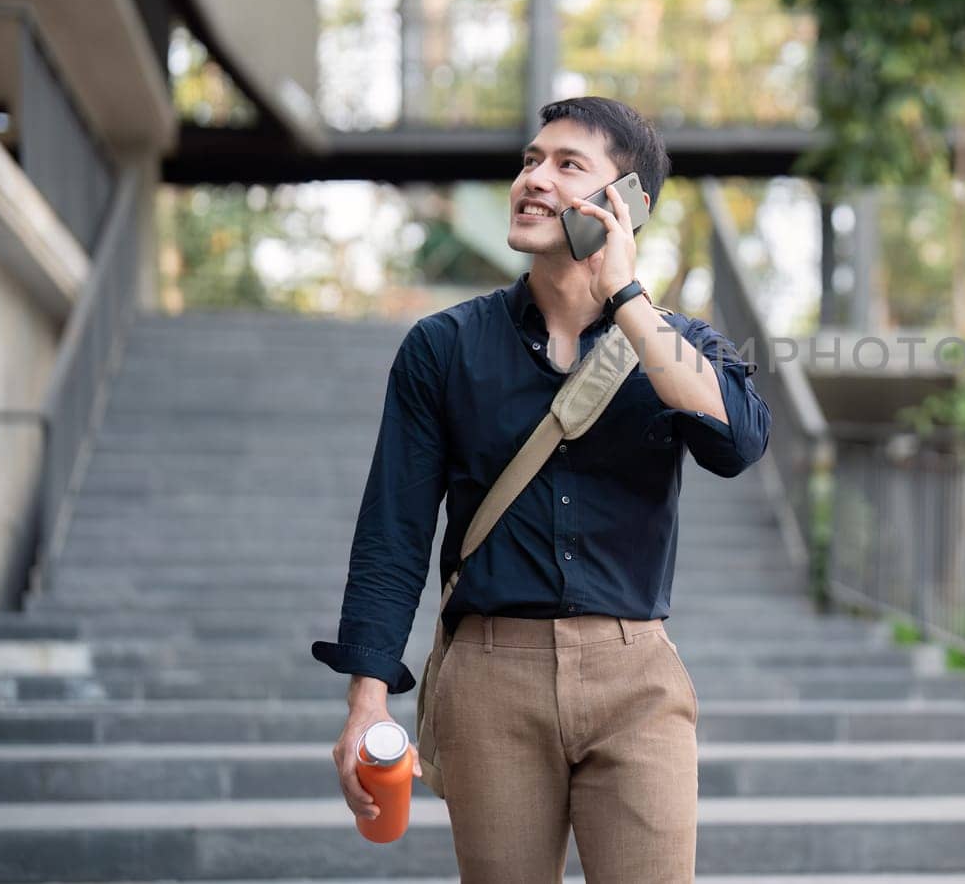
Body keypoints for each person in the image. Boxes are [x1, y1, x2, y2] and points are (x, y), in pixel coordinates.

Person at [311, 96, 772, 883]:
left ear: (624, 204)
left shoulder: (677, 344)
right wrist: (367, 700)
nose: (533, 178)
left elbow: (737, 441)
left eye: (567, 165)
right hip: (491, 679)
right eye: (531, 159)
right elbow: (395, 532)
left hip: (636, 677)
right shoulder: (444, 347)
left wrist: (626, 298)